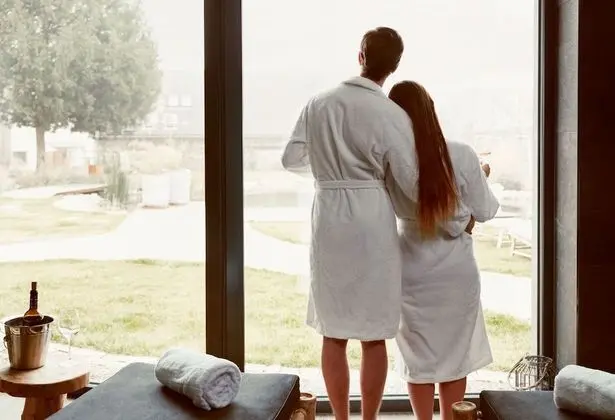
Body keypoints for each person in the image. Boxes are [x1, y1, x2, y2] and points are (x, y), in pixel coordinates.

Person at [281, 28, 471, 420]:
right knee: (374, 335)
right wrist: (456, 215)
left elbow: (291, 158)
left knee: (333, 332)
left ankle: (340, 418)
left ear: (361, 56)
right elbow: (410, 183)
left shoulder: (318, 103)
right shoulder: (391, 114)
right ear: (395, 66)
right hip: (372, 220)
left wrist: (330, 170)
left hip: (328, 219)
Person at [386, 81, 500, 420]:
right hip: (455, 271)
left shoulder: (389, 163)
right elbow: (486, 210)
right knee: (454, 358)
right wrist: (481, 174)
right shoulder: (462, 154)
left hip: (410, 268)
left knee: (418, 360)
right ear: (430, 112)